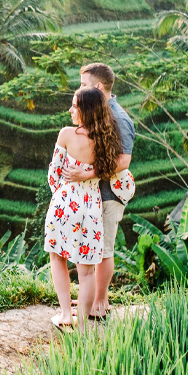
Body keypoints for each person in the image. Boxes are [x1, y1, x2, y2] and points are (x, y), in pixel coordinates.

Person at [44, 87, 122, 329]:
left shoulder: (67, 134)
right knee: (86, 271)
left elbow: (54, 174)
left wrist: (61, 195)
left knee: (57, 257)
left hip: (65, 204)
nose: (70, 110)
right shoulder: (108, 138)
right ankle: (83, 326)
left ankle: (66, 315)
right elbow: (109, 170)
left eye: (75, 106)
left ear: (86, 110)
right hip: (91, 208)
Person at [63, 63, 135, 319]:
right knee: (91, 249)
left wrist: (86, 173)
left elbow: (123, 161)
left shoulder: (119, 118)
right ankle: (91, 298)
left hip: (109, 192)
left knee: (103, 251)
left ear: (99, 86)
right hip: (92, 193)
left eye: (84, 84)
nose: (80, 88)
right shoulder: (97, 110)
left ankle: (100, 302)